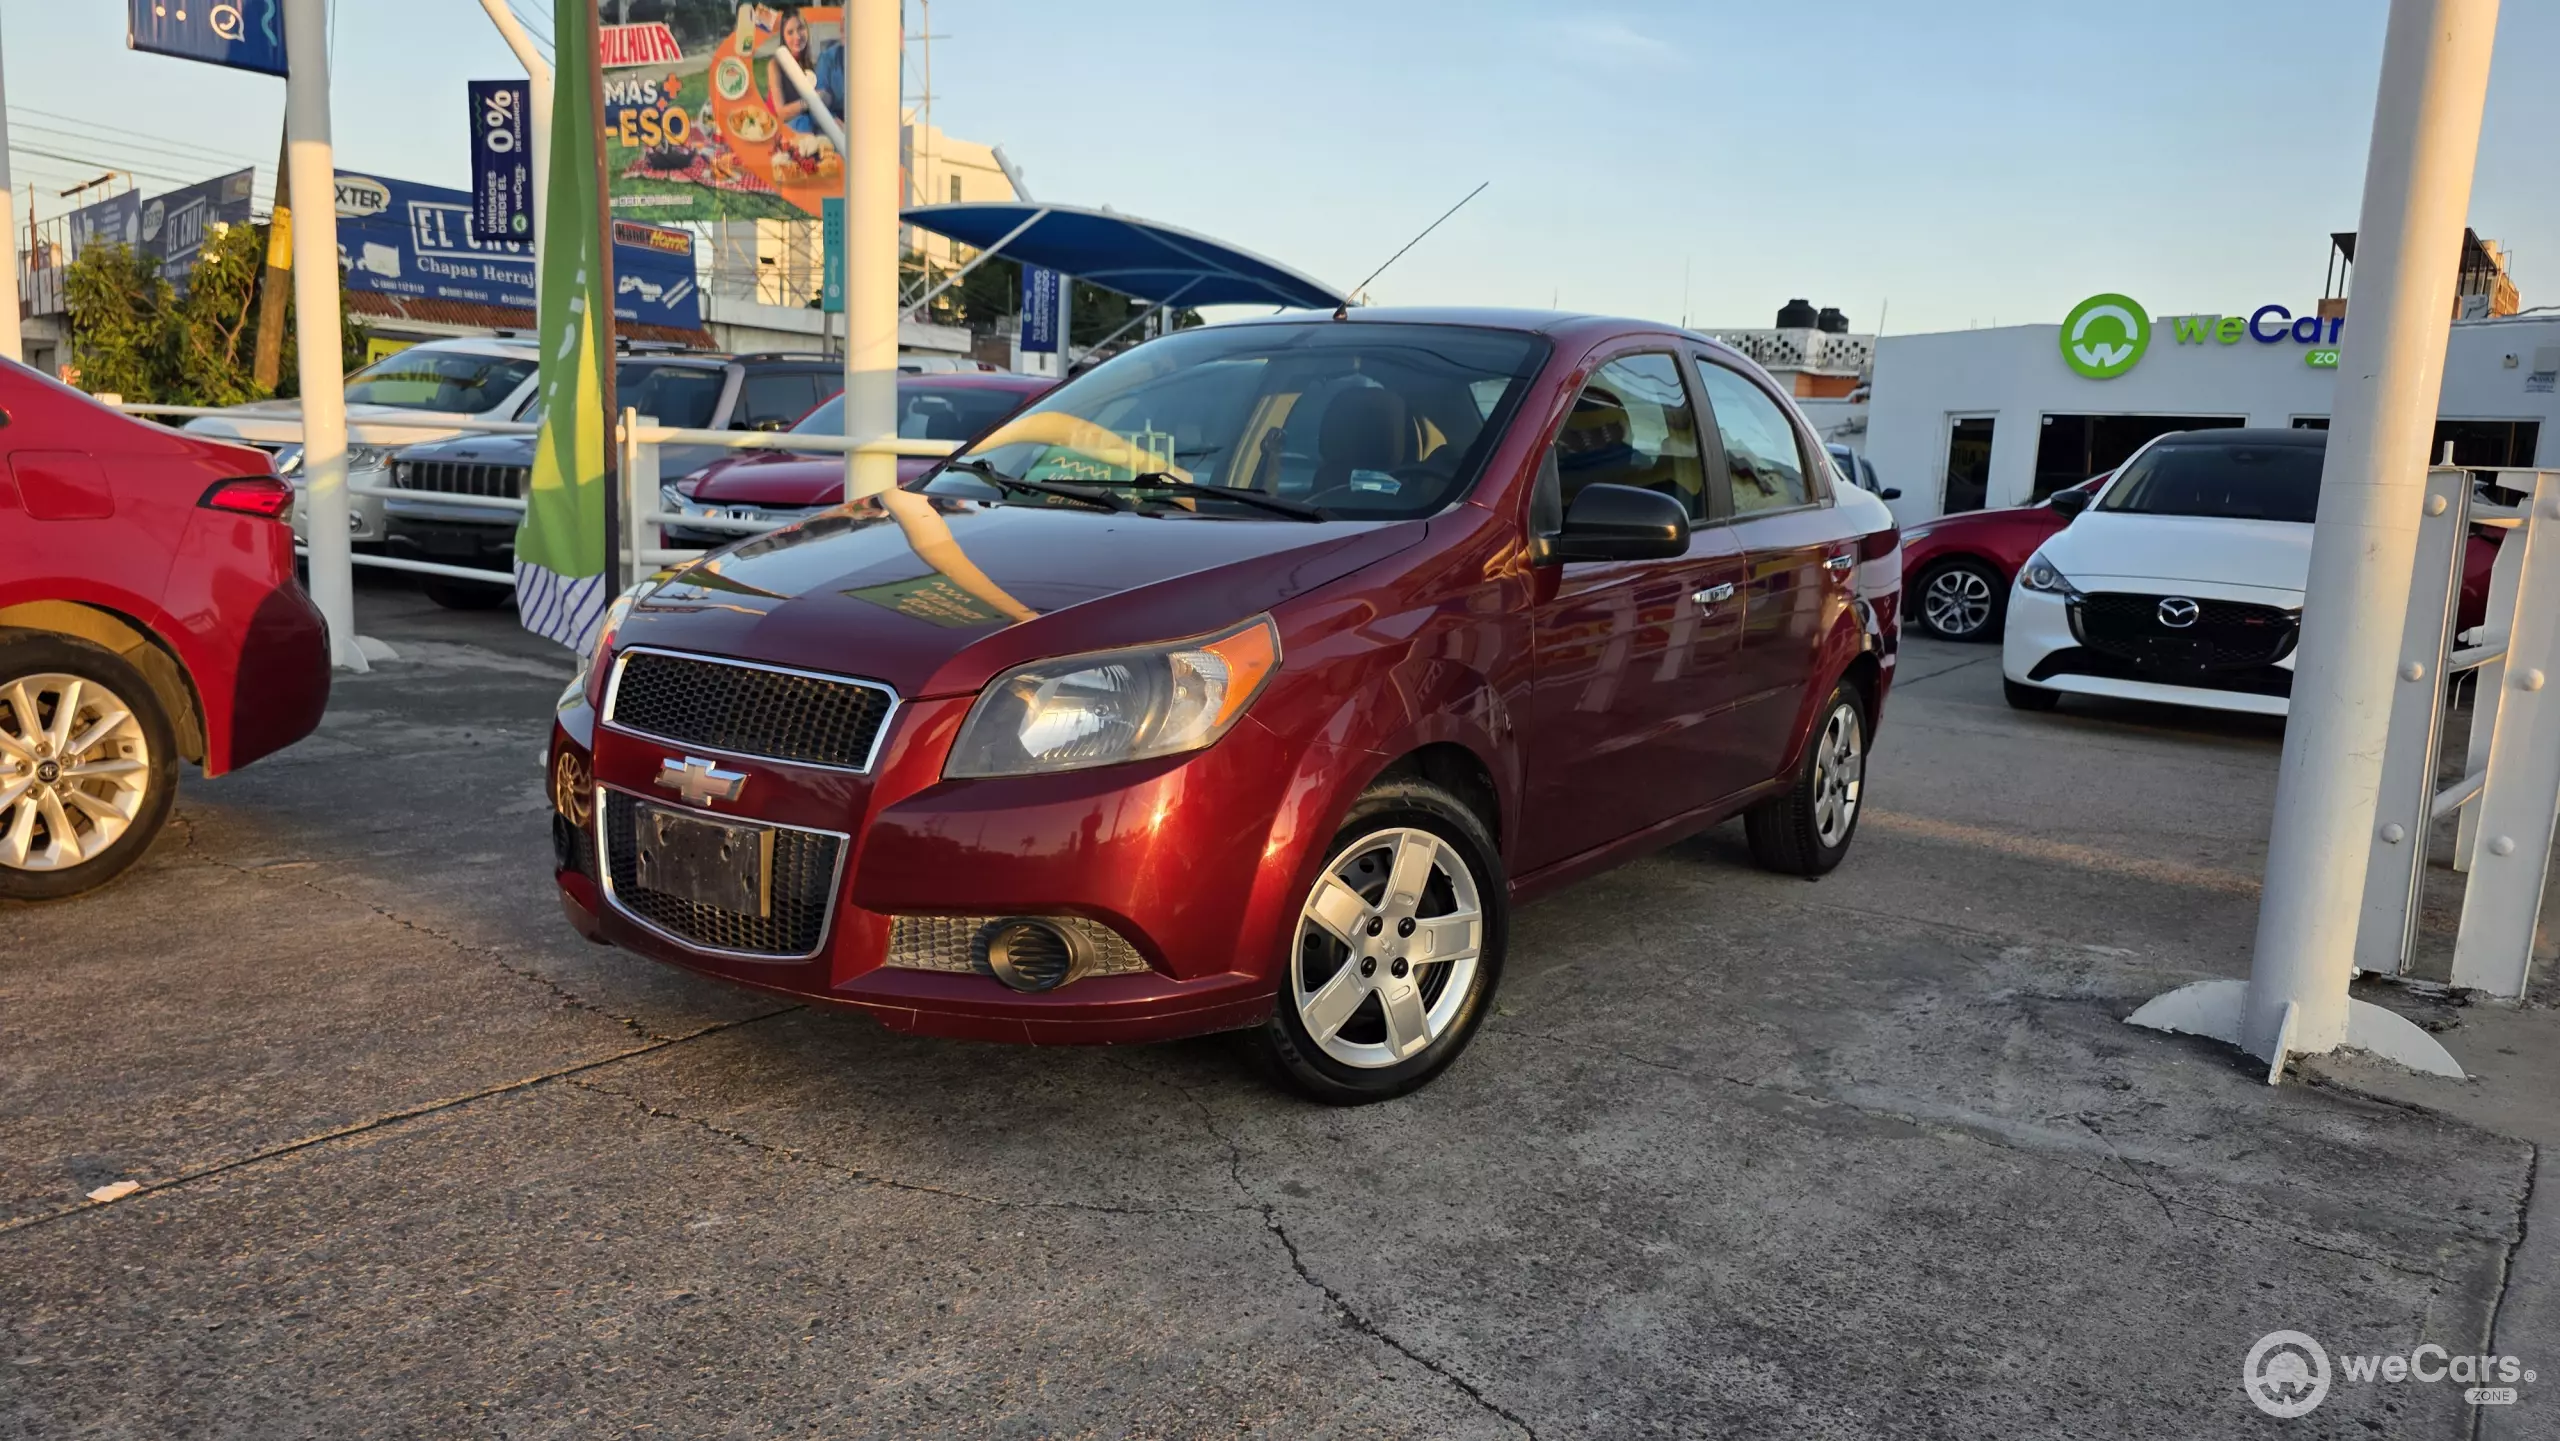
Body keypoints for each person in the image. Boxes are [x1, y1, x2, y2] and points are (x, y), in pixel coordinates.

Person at [763, 7, 846, 136]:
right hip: (775, 128)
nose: (797, 36)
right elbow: (781, 113)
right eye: (790, 32)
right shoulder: (775, 65)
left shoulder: (812, 64)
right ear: (783, 37)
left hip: (802, 127)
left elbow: (822, 100)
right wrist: (811, 100)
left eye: (800, 28)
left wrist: (826, 98)